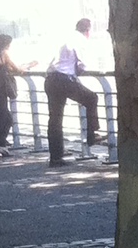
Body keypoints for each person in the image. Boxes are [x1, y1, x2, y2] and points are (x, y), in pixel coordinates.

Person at [44, 17, 105, 165]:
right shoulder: (80, 40)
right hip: (64, 80)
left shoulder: (65, 39)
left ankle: (55, 157)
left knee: (55, 119)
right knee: (91, 98)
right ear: (88, 31)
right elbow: (82, 65)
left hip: (51, 79)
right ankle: (92, 133)